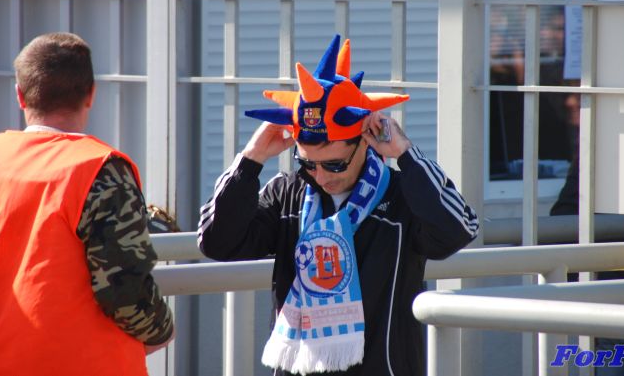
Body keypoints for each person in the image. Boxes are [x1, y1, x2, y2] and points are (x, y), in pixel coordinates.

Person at [197, 34, 479, 376]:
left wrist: (406, 153)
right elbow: (216, 241)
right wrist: (250, 159)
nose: (320, 176)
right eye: (307, 163)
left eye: (334, 164)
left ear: (366, 139)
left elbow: (459, 229)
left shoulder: (402, 195)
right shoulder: (288, 194)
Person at [0, 32, 174, 376]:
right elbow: (125, 291)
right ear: (91, 93)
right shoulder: (100, 169)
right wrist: (161, 330)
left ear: (20, 95)